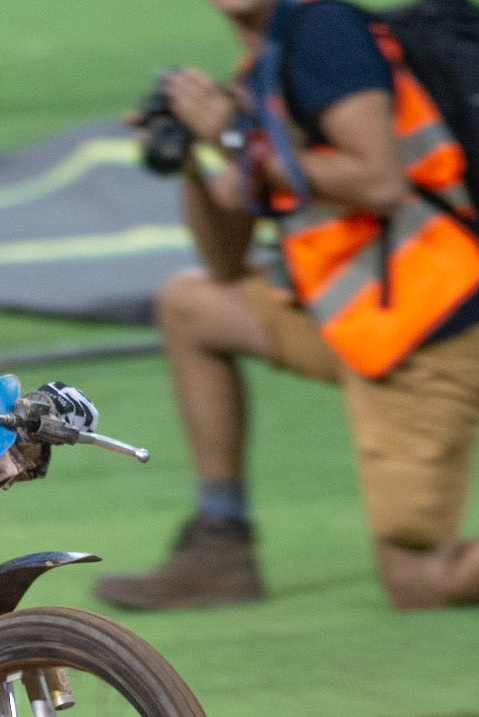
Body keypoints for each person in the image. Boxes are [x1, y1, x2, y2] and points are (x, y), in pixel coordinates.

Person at [96, 0, 479, 611]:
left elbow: (379, 180)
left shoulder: (324, 34)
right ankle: (221, 545)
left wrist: (231, 136)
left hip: (431, 324)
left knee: (418, 579)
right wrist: (196, 159)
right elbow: (225, 264)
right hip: (359, 317)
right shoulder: (263, 73)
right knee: (193, 307)